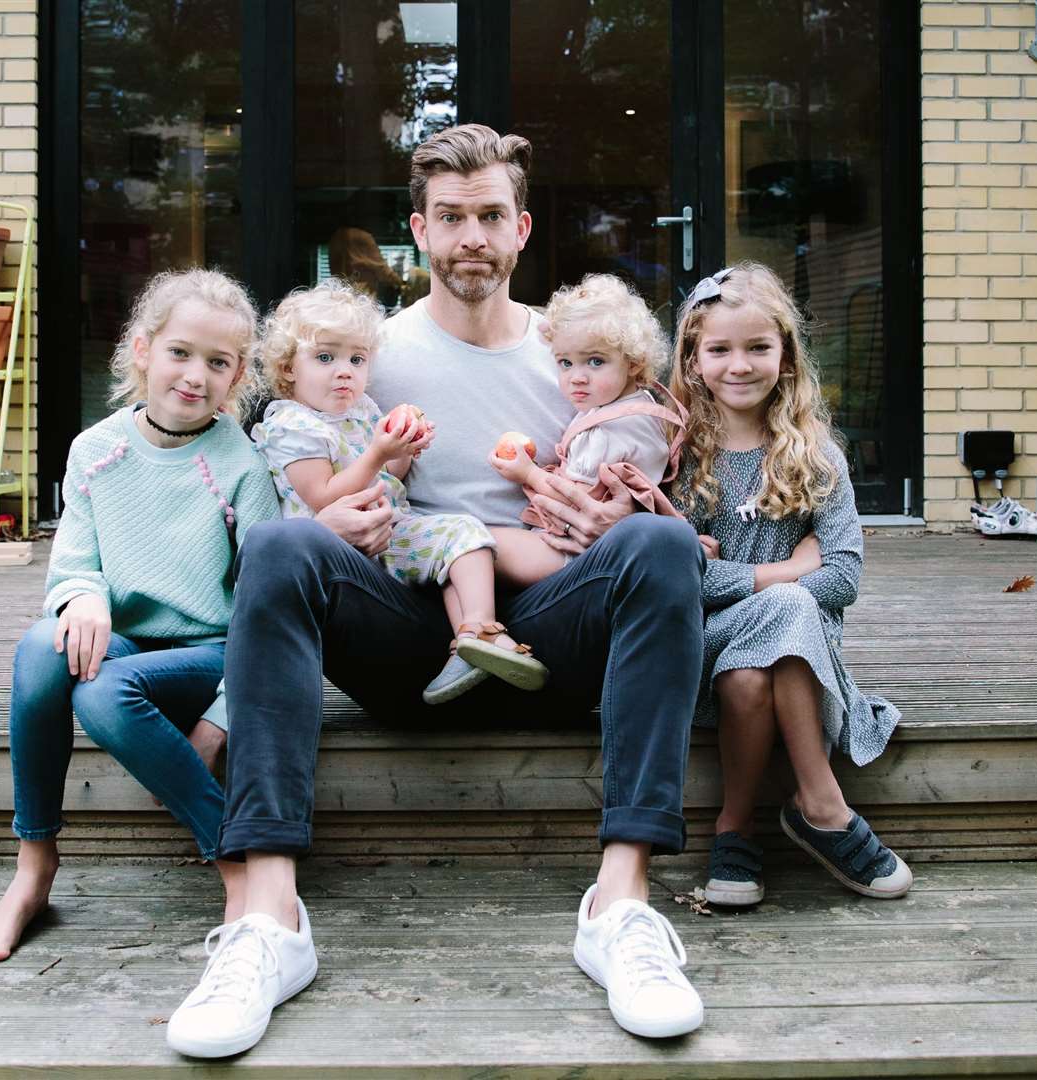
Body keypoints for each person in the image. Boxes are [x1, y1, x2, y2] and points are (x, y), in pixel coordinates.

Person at [164, 124, 707, 1059]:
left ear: (523, 227)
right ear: (420, 230)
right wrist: (330, 524)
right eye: (450, 218)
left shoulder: (574, 351)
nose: (472, 239)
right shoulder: (375, 353)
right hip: (410, 634)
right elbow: (286, 477)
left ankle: (620, 907)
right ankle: (268, 919)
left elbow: (650, 468)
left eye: (490, 216)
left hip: (551, 631)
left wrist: (619, 517)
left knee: (659, 545)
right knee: (287, 545)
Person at [0, 268, 279, 964]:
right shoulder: (93, 450)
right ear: (142, 350)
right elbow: (73, 563)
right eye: (181, 352)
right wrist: (85, 597)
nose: (196, 375)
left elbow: (266, 618)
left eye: (218, 363)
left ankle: (233, 859)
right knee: (42, 648)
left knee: (104, 690)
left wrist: (221, 717)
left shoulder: (241, 468)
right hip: (128, 641)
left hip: (209, 657)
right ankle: (34, 864)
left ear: (238, 377)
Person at [666, 262, 910, 909]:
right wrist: (785, 571)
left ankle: (734, 828)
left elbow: (845, 578)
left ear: (786, 355)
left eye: (757, 348)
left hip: (795, 657)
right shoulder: (680, 456)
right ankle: (821, 803)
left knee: (761, 660)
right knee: (787, 601)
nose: (738, 364)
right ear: (693, 360)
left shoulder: (816, 454)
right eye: (719, 349)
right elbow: (683, 581)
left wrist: (771, 583)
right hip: (709, 642)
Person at [249, 277, 548, 704]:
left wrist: (405, 443)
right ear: (288, 368)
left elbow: (392, 471)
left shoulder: (362, 409)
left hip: (392, 532)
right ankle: (480, 635)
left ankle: (475, 635)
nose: (344, 371)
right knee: (460, 536)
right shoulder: (293, 425)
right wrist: (376, 452)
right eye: (325, 357)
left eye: (356, 358)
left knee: (465, 536)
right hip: (342, 557)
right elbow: (323, 495)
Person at [488, 271, 688, 589]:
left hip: (578, 555)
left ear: (634, 361)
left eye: (595, 362)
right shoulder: (622, 405)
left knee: (475, 544)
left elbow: (577, 504)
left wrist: (528, 474)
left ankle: (479, 627)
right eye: (566, 363)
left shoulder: (616, 428)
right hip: (581, 548)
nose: (577, 377)